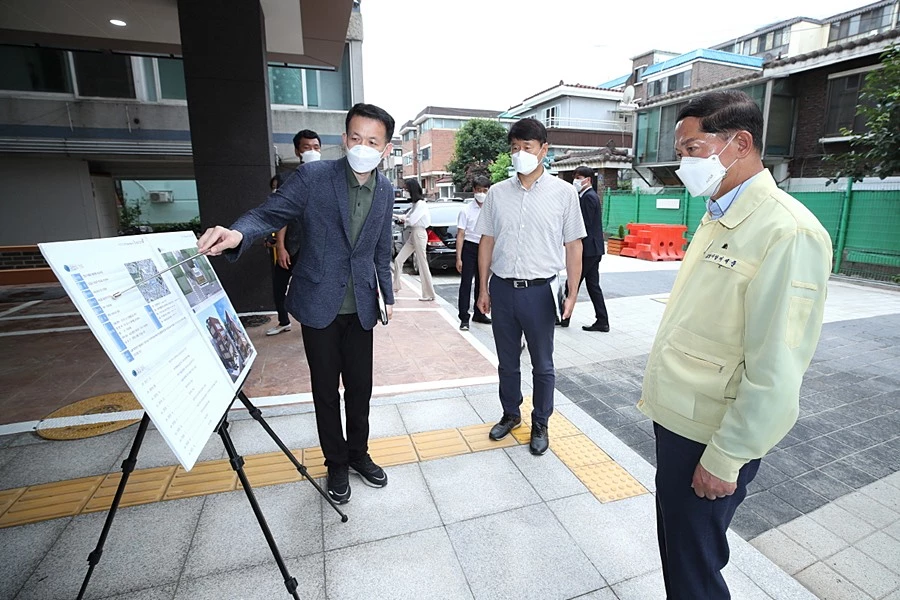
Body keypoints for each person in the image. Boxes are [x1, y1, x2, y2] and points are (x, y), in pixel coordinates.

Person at [639, 90, 831, 599]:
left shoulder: (787, 231)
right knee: (681, 553)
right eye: (681, 151)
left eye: (693, 149)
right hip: (681, 417)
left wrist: (729, 456)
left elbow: (778, 365)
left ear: (740, 143)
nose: (683, 164)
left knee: (695, 567)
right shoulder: (718, 212)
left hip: (713, 432)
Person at [197, 103, 398, 505]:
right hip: (318, 304)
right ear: (344, 139)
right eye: (355, 138)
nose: (362, 146)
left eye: (372, 141)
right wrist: (238, 234)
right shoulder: (314, 177)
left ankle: (358, 453)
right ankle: (336, 462)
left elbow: (379, 251)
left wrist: (387, 297)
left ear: (386, 148)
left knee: (360, 389)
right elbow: (269, 213)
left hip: (361, 306)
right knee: (326, 391)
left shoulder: (387, 190)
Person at [475, 118, 586, 455]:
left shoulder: (565, 193)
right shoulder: (497, 193)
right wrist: (483, 288)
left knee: (542, 363)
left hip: (540, 291)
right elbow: (487, 242)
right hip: (503, 289)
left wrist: (573, 293)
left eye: (527, 147)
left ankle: (541, 421)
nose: (520, 153)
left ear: (543, 150)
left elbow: (574, 246)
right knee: (507, 362)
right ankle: (511, 414)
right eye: (515, 148)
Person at [267, 130, 322, 336]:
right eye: (306, 147)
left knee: (316, 287)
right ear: (298, 151)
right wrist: (280, 246)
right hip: (293, 243)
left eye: (316, 147)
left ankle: (316, 322)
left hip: (318, 246)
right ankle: (283, 320)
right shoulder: (288, 178)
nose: (312, 151)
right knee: (280, 284)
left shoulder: (330, 176)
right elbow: (282, 216)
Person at [559, 166, 610, 332]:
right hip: (594, 249)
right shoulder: (587, 195)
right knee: (593, 285)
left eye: (579, 177)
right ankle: (602, 321)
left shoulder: (588, 197)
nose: (576, 180)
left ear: (588, 179)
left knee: (572, 283)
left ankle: (564, 317)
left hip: (588, 250)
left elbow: (584, 225)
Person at [455, 175, 492, 330]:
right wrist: (459, 258)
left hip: (486, 247)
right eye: (479, 190)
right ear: (473, 190)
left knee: (482, 282)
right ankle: (464, 317)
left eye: (485, 190)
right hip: (470, 247)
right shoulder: (466, 210)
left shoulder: (491, 209)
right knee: (466, 283)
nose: (481, 193)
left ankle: (479, 313)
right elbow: (461, 235)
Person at [392, 179, 435, 301]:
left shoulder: (421, 204)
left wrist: (403, 218)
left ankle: (429, 294)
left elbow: (411, 220)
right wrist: (395, 215)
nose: (405, 191)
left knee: (422, 263)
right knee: (398, 260)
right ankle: (395, 286)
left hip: (419, 233)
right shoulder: (415, 204)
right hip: (414, 233)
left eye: (406, 189)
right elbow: (407, 217)